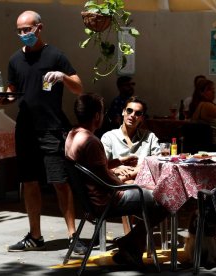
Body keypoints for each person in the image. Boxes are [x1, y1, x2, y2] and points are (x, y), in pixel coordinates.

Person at [0, 11, 85, 254]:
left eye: (28, 29)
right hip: (25, 129)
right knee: (29, 182)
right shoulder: (15, 60)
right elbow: (11, 92)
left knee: (59, 181)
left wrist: (63, 76)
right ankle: (35, 236)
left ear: (40, 28)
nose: (24, 34)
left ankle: (72, 235)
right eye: (19, 31)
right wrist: (0, 100)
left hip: (51, 127)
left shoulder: (55, 55)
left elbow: (79, 87)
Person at [65, 93, 168, 268]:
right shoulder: (92, 141)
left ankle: (132, 248)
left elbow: (97, 167)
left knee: (153, 194)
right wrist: (133, 185)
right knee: (166, 199)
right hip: (107, 200)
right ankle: (130, 241)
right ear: (97, 116)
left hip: (91, 199)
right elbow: (105, 178)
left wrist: (118, 162)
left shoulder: (73, 135)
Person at [101, 96, 160, 184]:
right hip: (116, 186)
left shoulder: (150, 137)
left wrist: (128, 177)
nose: (132, 115)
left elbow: (158, 164)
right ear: (123, 112)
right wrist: (116, 169)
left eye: (138, 113)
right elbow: (101, 165)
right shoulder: (109, 137)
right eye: (129, 110)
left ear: (142, 118)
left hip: (142, 183)